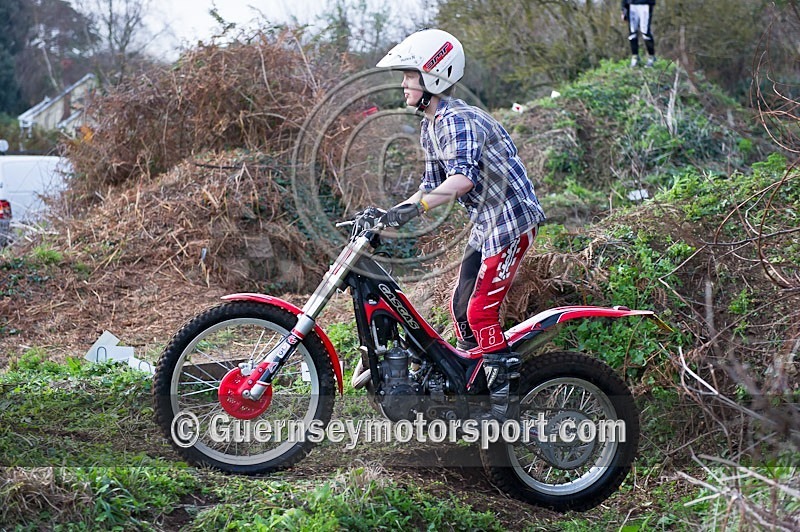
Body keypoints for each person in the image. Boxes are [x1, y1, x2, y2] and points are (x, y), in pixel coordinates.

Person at [374, 29, 547, 420]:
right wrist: (389, 214)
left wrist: (415, 207)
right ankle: (474, 385)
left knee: (481, 313)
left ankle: (503, 408)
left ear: (433, 77)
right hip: (487, 224)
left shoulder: (457, 120)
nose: (403, 84)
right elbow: (432, 186)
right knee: (460, 306)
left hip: (510, 222)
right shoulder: (431, 125)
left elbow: (462, 180)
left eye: (410, 76)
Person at [622, 0, 656, 67]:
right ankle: (635, 57)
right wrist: (623, 8)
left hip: (645, 4)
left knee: (645, 32)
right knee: (632, 33)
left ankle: (651, 57)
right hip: (631, 5)